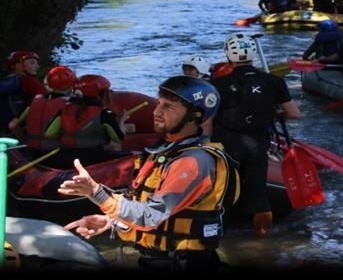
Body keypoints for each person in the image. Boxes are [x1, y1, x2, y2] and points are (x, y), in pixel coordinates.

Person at [60, 76, 230, 272]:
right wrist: (111, 221)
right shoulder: (164, 152)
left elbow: (150, 216)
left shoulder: (193, 161)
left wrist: (96, 193)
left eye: (169, 107)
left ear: (195, 116)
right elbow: (146, 206)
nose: (157, 111)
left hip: (182, 264)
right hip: (160, 261)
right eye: (159, 103)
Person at [211, 32, 301, 238]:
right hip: (258, 143)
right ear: (253, 55)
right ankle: (262, 240)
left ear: (228, 56)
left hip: (227, 144)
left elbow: (207, 121)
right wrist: (274, 114)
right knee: (259, 194)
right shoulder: (274, 81)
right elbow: (294, 113)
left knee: (223, 191)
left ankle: (217, 237)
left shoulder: (218, 85)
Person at [48, 74, 126, 160]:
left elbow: (49, 133)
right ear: (100, 94)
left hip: (65, 157)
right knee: (138, 154)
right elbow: (118, 139)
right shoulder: (105, 114)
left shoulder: (64, 110)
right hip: (92, 158)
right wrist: (122, 120)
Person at [8, 65, 78, 151]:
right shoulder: (71, 103)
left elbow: (12, 125)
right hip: (56, 152)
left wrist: (25, 141)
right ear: (71, 85)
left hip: (32, 149)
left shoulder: (35, 101)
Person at [0, 50, 47, 134]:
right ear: (18, 65)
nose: (37, 66)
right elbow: (49, 98)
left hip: (3, 129)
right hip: (26, 128)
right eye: (32, 63)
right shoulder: (28, 81)